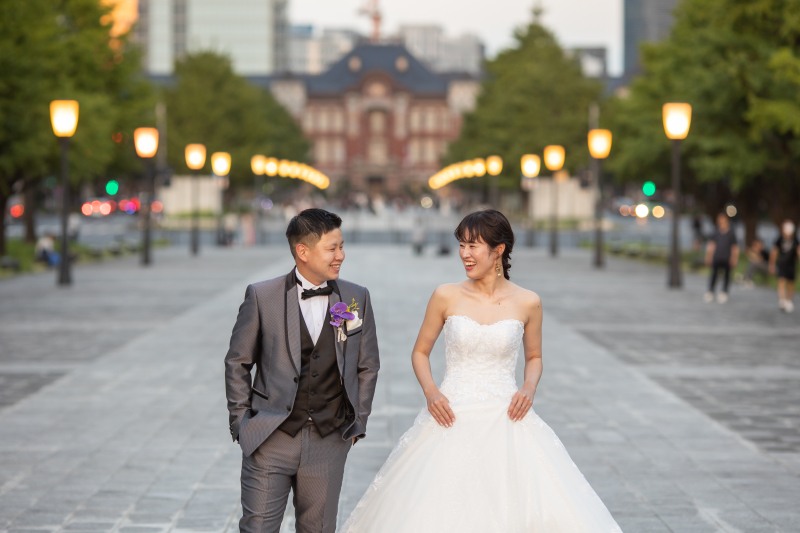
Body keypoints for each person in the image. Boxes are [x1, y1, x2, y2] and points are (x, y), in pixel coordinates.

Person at [340, 210, 623, 533]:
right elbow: (420, 352)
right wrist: (432, 392)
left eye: (473, 246)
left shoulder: (528, 302)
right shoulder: (446, 295)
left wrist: (529, 388)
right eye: (462, 245)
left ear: (498, 249)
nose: (464, 253)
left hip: (508, 414)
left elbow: (534, 357)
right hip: (451, 412)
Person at [224, 208, 380, 533]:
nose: (341, 255)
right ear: (303, 252)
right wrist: (242, 423)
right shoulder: (262, 296)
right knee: (257, 528)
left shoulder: (355, 297)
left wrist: (357, 421)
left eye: (341, 246)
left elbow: (367, 365)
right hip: (271, 436)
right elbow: (238, 362)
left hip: (329, 440)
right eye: (332, 248)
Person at [704, 213, 739, 303]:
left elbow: (734, 247)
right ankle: (711, 291)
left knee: (727, 276)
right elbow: (711, 245)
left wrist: (734, 258)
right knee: (714, 275)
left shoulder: (731, 233)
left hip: (727, 257)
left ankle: (724, 292)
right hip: (717, 257)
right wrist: (708, 256)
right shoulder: (716, 231)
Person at [769, 219, 800, 313]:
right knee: (781, 281)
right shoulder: (780, 239)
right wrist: (772, 264)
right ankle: (782, 300)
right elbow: (774, 251)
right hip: (782, 263)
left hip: (791, 264)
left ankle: (789, 301)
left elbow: (799, 251)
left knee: (791, 283)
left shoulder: (795, 240)